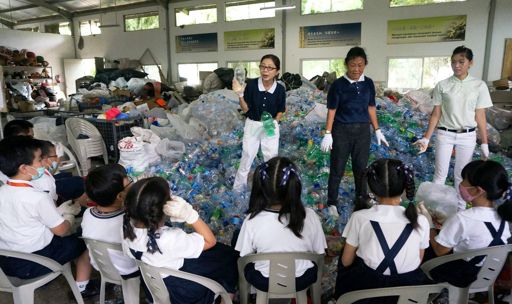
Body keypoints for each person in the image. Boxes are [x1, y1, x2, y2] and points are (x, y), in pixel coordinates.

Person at [0, 136, 97, 298]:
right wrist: (68, 214)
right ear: (24, 168)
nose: (43, 163)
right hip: (33, 262)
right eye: (39, 160)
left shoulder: (3, 191)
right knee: (85, 238)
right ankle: (82, 287)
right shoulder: (37, 197)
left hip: (6, 262)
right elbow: (61, 230)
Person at [122, 177, 238, 303]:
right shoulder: (168, 238)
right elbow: (210, 241)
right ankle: (227, 296)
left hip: (154, 287)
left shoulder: (126, 227)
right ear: (163, 210)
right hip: (181, 292)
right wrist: (190, 215)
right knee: (228, 255)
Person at [334, 158, 429, 300]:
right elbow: (418, 260)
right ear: (404, 187)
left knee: (347, 256)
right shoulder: (420, 220)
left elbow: (346, 261)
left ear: (371, 188)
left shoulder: (360, 217)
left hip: (367, 291)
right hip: (407, 291)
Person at [413, 46, 493, 211]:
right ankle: (433, 212)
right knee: (440, 175)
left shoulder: (479, 85)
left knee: (461, 177)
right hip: (445, 133)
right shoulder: (443, 85)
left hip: (467, 136)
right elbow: (436, 114)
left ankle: (460, 211)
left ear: (470, 63)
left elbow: (480, 116)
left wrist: (484, 142)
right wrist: (426, 138)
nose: (457, 65)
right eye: (454, 62)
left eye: (461, 62)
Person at [235, 157, 327, 292]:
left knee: (239, 247)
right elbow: (319, 253)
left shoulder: (251, 220)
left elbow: (245, 256)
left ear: (261, 189)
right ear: (294, 188)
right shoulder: (310, 216)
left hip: (264, 281)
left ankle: (250, 295)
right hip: (301, 280)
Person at [420, 160, 512, 288]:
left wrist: (428, 224)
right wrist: (447, 224)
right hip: (487, 275)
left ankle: (423, 285)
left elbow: (440, 251)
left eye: (464, 180)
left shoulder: (462, 218)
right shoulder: (504, 217)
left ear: (477, 191)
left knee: (422, 243)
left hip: (461, 277)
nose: (461, 184)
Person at [320, 46, 388, 215]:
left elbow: (371, 107)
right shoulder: (338, 85)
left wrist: (377, 130)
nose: (356, 69)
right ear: (346, 64)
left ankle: (361, 199)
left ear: (365, 64)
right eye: (353, 65)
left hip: (363, 132)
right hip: (341, 130)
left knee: (361, 169)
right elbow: (332, 110)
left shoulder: (368, 83)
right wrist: (328, 133)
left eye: (360, 65)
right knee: (337, 169)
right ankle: (332, 202)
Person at [232, 54, 286, 192]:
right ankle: (238, 189)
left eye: (270, 68)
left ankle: (270, 188)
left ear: (277, 71)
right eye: (263, 67)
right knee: (247, 155)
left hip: (270, 125)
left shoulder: (279, 89)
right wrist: (240, 95)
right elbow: (245, 109)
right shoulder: (252, 85)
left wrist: (275, 122)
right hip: (253, 124)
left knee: (271, 157)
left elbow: (281, 109)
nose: (265, 71)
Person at [82, 164, 139, 278]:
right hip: (130, 270)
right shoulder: (131, 219)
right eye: (129, 182)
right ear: (120, 196)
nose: (132, 184)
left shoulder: (87, 213)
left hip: (102, 267)